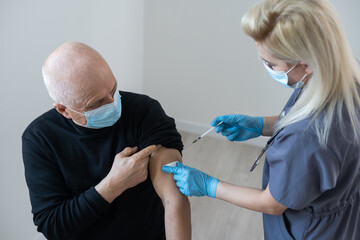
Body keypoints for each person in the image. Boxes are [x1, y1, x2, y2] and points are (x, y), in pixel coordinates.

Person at [162, 0, 360, 239]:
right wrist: (260, 125)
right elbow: (317, 123)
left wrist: (208, 186)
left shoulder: (305, 139)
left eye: (271, 64)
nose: (266, 68)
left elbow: (272, 203)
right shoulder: (345, 75)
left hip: (310, 230)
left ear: (307, 63)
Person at [22, 42, 191, 240]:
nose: (113, 104)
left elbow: (174, 197)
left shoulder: (144, 111)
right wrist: (113, 185)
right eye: (97, 103)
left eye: (113, 90)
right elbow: (53, 225)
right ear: (63, 110)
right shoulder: (39, 139)